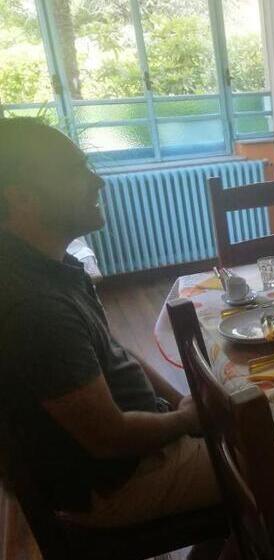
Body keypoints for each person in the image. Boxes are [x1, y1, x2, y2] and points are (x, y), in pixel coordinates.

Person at [0, 118, 220, 529]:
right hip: (117, 484)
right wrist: (186, 420)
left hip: (135, 450)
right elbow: (109, 439)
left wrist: (181, 405)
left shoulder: (48, 266)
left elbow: (116, 351)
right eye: (74, 171)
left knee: (245, 420)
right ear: (23, 198)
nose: (96, 181)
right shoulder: (34, 307)